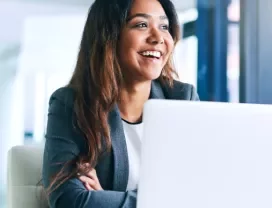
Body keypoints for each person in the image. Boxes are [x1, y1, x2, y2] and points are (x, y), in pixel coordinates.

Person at [41, 0, 199, 207]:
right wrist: (164, 200)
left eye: (164, 26)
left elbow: (199, 191)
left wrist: (106, 197)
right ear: (109, 36)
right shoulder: (71, 105)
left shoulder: (182, 99)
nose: (158, 37)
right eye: (141, 25)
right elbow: (69, 200)